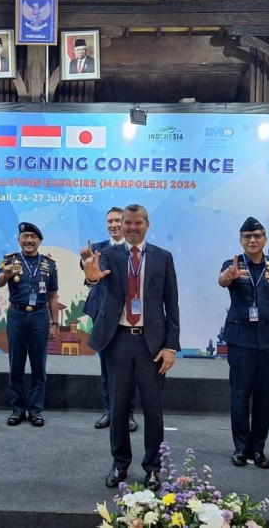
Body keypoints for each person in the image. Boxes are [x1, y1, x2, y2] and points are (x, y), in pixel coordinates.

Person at [82, 204, 179, 490]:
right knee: (119, 407)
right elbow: (93, 278)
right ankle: (119, 463)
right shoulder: (108, 255)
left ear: (147, 224)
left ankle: (152, 468)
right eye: (127, 223)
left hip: (153, 344)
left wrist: (171, 346)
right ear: (120, 226)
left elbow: (171, 304)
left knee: (153, 410)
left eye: (138, 223)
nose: (132, 228)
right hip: (118, 340)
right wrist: (91, 276)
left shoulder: (163, 257)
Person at [218, 217, 269, 470]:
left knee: (264, 397)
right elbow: (223, 280)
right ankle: (240, 447)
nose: (252, 240)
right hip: (241, 340)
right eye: (247, 237)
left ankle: (258, 448)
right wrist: (228, 277)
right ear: (241, 240)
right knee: (240, 395)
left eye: (257, 236)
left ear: (264, 239)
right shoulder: (233, 264)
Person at [80, 207, 138, 432]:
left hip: (129, 317)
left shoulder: (134, 250)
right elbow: (89, 275)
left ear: (125, 223)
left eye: (117, 220)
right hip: (102, 315)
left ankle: (128, 414)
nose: (114, 224)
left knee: (129, 368)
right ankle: (109, 411)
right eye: (110, 221)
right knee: (106, 366)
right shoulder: (97, 250)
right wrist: (87, 267)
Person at [0, 222, 59, 427]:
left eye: (33, 237)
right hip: (16, 315)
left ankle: (35, 410)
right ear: (19, 240)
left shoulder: (49, 264)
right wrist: (5, 275)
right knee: (16, 365)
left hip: (40, 317)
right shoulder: (8, 260)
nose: (29, 240)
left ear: (39, 241)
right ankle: (18, 409)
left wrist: (55, 322)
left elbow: (53, 296)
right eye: (25, 236)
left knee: (39, 366)